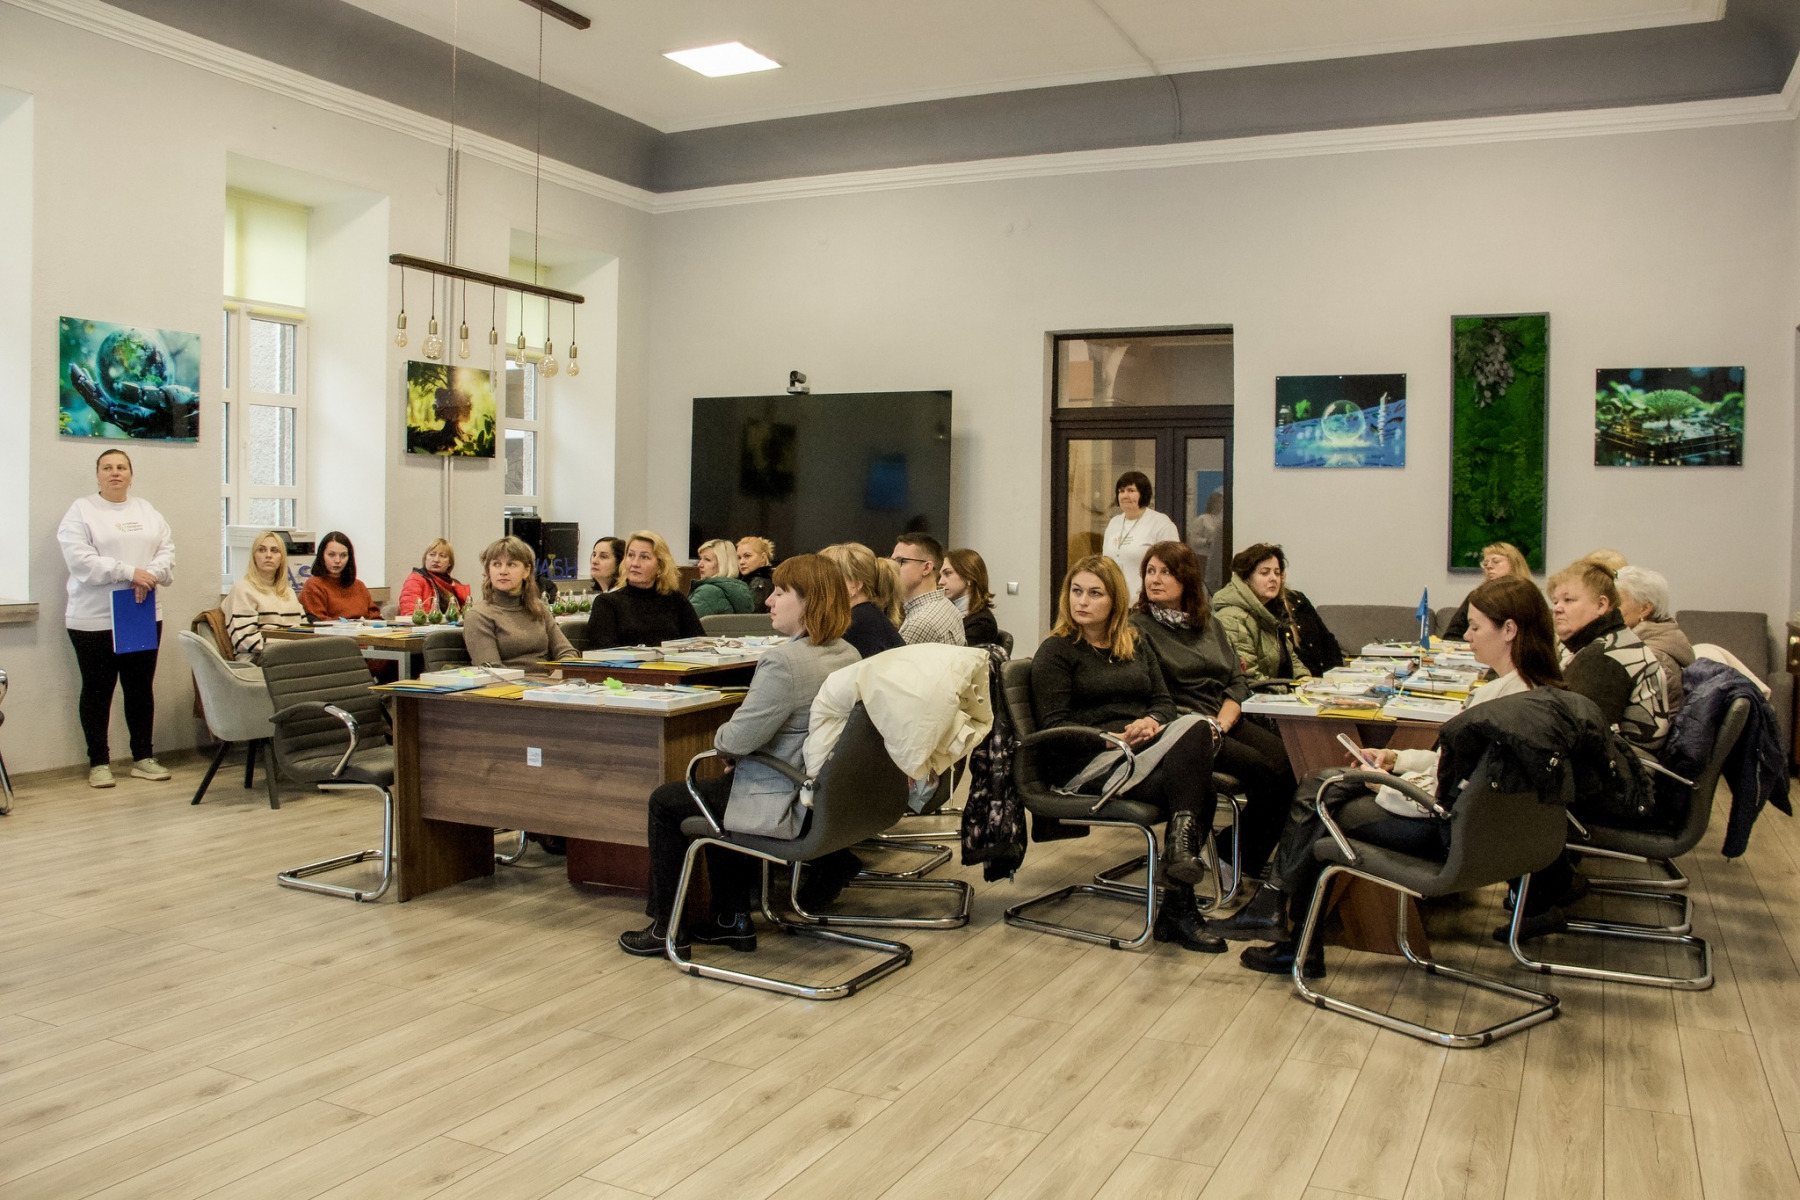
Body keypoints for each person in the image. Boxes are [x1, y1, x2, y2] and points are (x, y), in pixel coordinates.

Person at [1211, 575, 1562, 975]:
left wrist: (1384, 784)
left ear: (1509, 630)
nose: (1466, 636)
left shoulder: (1498, 706)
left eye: (1476, 627)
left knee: (1322, 807)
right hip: (1486, 828)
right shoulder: (1534, 693)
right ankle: (1282, 922)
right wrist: (1395, 758)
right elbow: (1457, 767)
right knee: (1322, 787)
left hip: (1449, 829)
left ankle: (1290, 933)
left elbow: (1449, 787)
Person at [619, 554, 861, 955]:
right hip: (823, 796)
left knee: (667, 801)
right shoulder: (848, 653)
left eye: (780, 593)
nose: (768, 601)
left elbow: (733, 739)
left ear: (808, 601)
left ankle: (666, 927)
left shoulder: (783, 662)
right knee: (725, 788)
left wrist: (728, 744)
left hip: (782, 798)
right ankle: (729, 918)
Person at [1028, 554, 1229, 954]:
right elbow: (1054, 728)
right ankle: (1179, 904)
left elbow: (1163, 702)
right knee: (1198, 785)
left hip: (1135, 752)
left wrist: (1150, 723)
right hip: (1087, 763)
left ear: (1115, 600)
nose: (1082, 601)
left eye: (1095, 593)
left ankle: (1178, 884)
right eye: (1076, 591)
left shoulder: (1134, 642)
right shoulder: (1056, 651)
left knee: (1197, 731)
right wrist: (1112, 738)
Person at [1130, 542, 1297, 882]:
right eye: (1150, 571)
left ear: (1187, 579)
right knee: (1267, 771)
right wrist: (1211, 726)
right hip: (1184, 728)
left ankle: (1231, 853)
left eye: (1166, 572)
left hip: (1222, 718)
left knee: (1293, 766)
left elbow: (1236, 680)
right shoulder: (1138, 628)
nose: (1154, 579)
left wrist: (1223, 721)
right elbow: (1155, 695)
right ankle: (1233, 857)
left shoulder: (1207, 624)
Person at [57, 448, 176, 788]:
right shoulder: (81, 511)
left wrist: (148, 576)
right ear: (97, 475)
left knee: (139, 688)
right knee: (98, 690)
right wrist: (129, 572)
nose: (115, 472)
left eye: (121, 467)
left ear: (131, 475)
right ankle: (99, 763)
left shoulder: (147, 511)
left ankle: (143, 757)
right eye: (107, 467)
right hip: (93, 618)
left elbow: (167, 552)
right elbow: (81, 561)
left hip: (139, 612)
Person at [1549, 557, 1669, 751]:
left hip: (1627, 765)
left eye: (1568, 600)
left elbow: (1578, 740)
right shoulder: (1614, 641)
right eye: (1555, 601)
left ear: (1601, 605)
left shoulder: (1603, 658)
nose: (1557, 609)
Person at [1212, 543, 1342, 681]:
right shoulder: (1232, 618)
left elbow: (1292, 660)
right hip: (1256, 693)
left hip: (1277, 690)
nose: (1273, 578)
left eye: (1277, 573)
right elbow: (1248, 679)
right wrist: (1290, 689)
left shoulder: (1271, 612)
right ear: (1246, 578)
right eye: (1265, 573)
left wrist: (1304, 680)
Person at [462, 535, 575, 669]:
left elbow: (568, 652)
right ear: (488, 571)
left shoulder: (538, 608)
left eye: (511, 564)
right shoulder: (479, 615)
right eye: (496, 564)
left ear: (526, 571)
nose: (503, 571)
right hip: (508, 681)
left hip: (550, 679)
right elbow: (492, 670)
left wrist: (559, 674)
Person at [586, 530, 706, 650]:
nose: (635, 563)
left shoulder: (676, 600)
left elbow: (700, 645)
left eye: (644, 557)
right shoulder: (607, 603)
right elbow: (602, 651)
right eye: (630, 555)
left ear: (660, 567)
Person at [1616, 565, 1694, 710]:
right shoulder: (1661, 640)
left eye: (1616, 603)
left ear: (1644, 609)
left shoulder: (1651, 657)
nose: (1606, 610)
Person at [223, 530, 307, 664]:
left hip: (292, 656)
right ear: (254, 556)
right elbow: (244, 640)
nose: (268, 555)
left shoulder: (289, 592)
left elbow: (304, 630)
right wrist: (288, 645)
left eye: (274, 550)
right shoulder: (243, 589)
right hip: (259, 659)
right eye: (261, 550)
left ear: (282, 558)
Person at [1101, 470, 1179, 604]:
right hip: (1114, 602)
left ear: (1143, 494)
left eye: (1131, 490)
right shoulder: (1114, 522)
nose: (1125, 495)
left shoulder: (1161, 523)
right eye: (1121, 491)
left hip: (1145, 604)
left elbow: (1172, 565)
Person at [821, 542, 905, 658]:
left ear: (855, 585)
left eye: (828, 579)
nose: (819, 587)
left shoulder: (852, 625)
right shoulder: (870, 615)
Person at [1442, 541, 1530, 639]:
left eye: (1496, 561)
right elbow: (1451, 636)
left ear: (1514, 563)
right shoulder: (1476, 597)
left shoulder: (1527, 597)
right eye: (1485, 563)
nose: (1489, 566)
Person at [890, 533, 966, 646]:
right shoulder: (945, 603)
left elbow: (896, 659)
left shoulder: (920, 623)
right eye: (892, 561)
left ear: (926, 568)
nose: (892, 567)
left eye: (901, 561)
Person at [299, 531, 379, 622]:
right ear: (322, 556)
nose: (337, 560)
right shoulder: (313, 585)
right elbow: (320, 621)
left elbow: (375, 617)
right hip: (333, 630)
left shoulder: (359, 585)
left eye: (343, 555)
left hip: (363, 629)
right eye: (331, 555)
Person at [940, 548, 1003, 649]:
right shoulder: (946, 613)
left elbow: (959, 657)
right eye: (940, 576)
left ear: (969, 577)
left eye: (948, 573)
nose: (940, 582)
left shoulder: (982, 623)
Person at [398, 538, 471, 616]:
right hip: (425, 623)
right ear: (425, 558)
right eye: (432, 554)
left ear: (450, 562)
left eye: (442, 556)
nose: (436, 560)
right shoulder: (415, 579)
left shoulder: (455, 585)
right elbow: (410, 614)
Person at [687, 538, 755, 617]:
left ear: (723, 564)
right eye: (700, 559)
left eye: (707, 559)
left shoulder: (708, 592)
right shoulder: (740, 589)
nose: (700, 564)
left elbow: (685, 622)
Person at [737, 536, 777, 611]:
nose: (741, 562)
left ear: (763, 557)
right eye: (739, 557)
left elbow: (749, 614)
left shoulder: (759, 582)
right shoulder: (770, 578)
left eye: (747, 556)